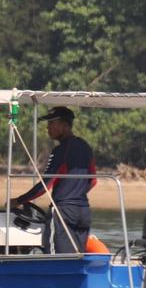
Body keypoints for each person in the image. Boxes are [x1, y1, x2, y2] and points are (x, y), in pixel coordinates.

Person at [13, 105, 96, 253]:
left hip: (64, 211)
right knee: (77, 255)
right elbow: (93, 181)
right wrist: (76, 193)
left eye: (52, 123)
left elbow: (45, 185)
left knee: (55, 255)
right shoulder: (84, 146)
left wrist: (19, 201)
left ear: (65, 125)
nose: (48, 128)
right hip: (83, 211)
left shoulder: (61, 150)